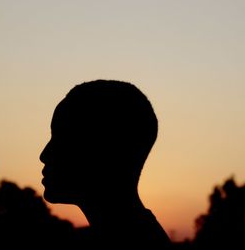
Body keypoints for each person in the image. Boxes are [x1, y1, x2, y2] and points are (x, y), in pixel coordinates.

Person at [40, 79, 171, 248]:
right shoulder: (136, 238)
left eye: (63, 139)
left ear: (104, 149)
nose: (44, 155)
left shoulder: (133, 246)